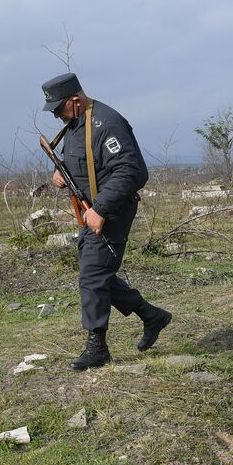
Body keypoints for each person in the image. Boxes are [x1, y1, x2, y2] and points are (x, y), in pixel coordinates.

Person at [42, 72, 171, 370]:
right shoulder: (75, 124)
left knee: (92, 276)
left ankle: (97, 347)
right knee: (97, 275)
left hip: (111, 211)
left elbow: (131, 171)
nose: (57, 117)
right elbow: (87, 164)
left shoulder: (107, 124)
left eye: (59, 109)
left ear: (75, 101)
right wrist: (62, 177)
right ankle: (152, 316)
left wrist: (100, 209)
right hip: (89, 212)